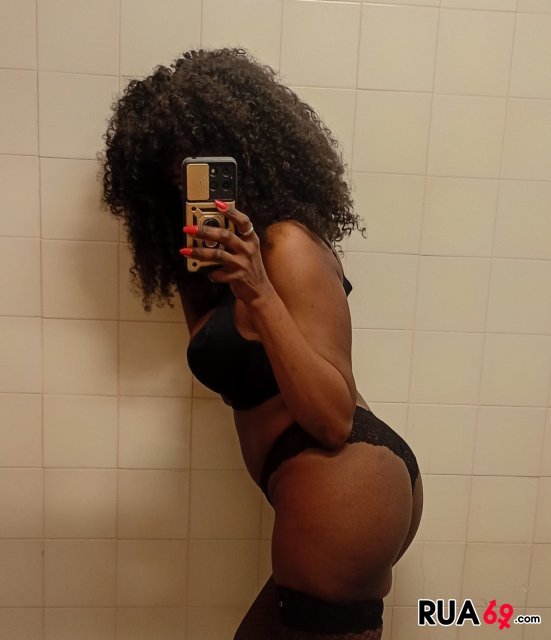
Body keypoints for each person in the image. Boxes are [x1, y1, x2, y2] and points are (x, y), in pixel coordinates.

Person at [100, 46, 423, 640]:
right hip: (320, 494)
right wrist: (198, 276)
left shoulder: (286, 246)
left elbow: (332, 419)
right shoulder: (218, 269)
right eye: (173, 178)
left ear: (249, 156)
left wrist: (258, 289)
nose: (189, 187)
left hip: (344, 482)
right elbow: (219, 351)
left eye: (203, 166)